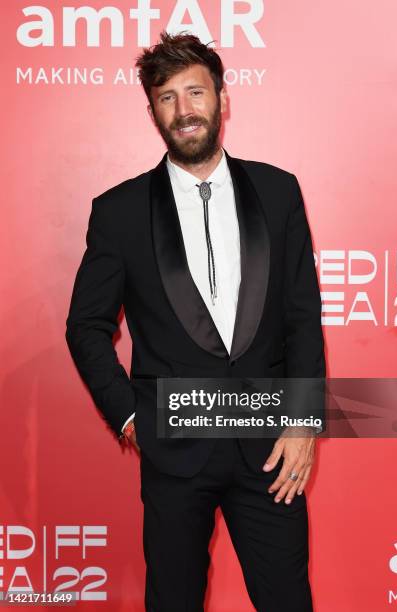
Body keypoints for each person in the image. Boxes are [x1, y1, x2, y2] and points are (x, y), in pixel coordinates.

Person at [66, 30, 325, 612]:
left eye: (195, 93)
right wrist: (131, 415)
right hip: (174, 449)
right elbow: (85, 326)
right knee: (173, 600)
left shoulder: (278, 192)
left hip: (270, 452)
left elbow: (302, 316)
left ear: (222, 99)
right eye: (167, 98)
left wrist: (304, 421)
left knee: (289, 599)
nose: (184, 111)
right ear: (153, 111)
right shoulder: (120, 211)